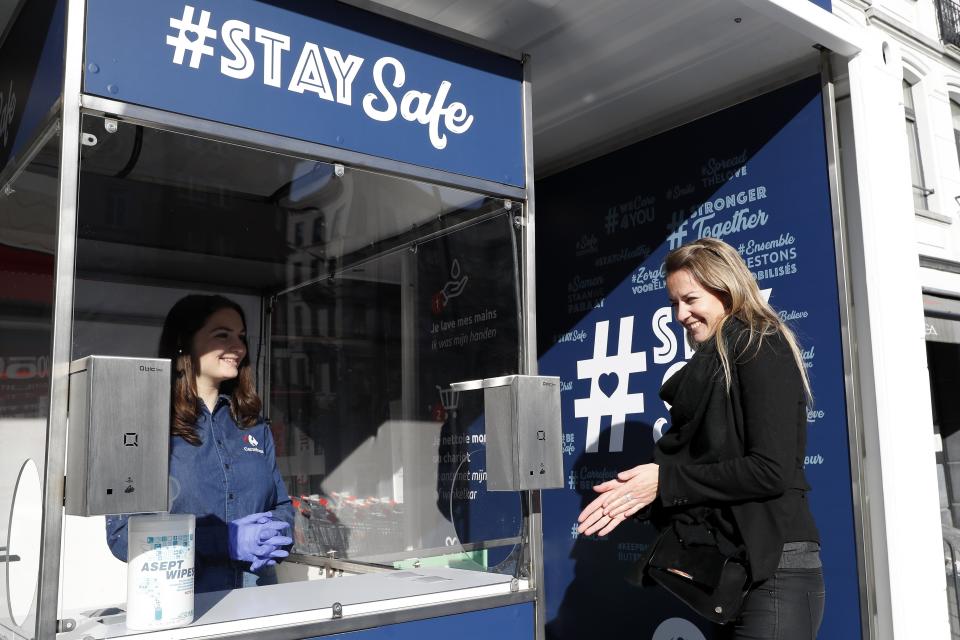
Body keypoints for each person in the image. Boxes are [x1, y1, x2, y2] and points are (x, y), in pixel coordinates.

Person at [576, 238, 824, 639]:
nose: (680, 314)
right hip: (732, 568)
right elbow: (707, 469)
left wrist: (665, 482)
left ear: (725, 289)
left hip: (775, 571)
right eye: (674, 303)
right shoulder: (711, 366)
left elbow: (771, 471)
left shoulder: (760, 345)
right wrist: (646, 491)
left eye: (690, 299)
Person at [106, 294, 295, 592]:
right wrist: (224, 540)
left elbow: (281, 504)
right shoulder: (143, 425)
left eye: (241, 337)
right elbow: (122, 535)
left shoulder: (252, 424)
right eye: (222, 335)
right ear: (185, 342)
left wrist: (277, 533)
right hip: (183, 605)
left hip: (260, 597)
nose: (239, 348)